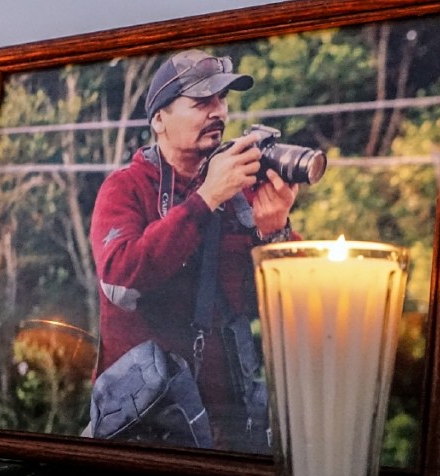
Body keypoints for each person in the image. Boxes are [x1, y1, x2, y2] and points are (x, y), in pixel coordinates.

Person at [88, 49, 301, 452]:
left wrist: (276, 233)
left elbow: (289, 306)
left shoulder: (242, 193)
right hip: (150, 428)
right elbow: (121, 280)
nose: (217, 111)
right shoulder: (125, 187)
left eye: (221, 100)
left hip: (233, 427)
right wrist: (205, 199)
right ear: (158, 120)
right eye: (201, 101)